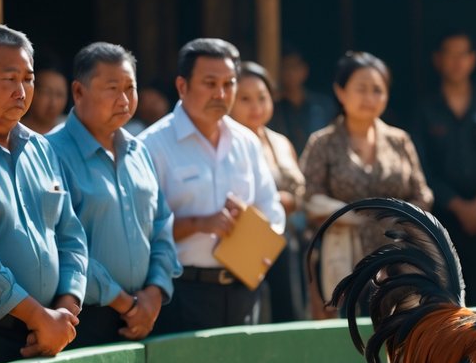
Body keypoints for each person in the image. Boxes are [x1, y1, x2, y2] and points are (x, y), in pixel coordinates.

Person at [140, 38, 285, 334]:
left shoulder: (247, 142)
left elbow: (274, 213)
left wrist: (249, 221)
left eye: (229, 83)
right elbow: (141, 230)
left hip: (244, 289)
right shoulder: (151, 145)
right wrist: (198, 224)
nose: (221, 93)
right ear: (182, 86)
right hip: (181, 292)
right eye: (209, 83)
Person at [0, 24, 87, 363]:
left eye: (28, 79)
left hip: (52, 334)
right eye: (10, 79)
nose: (22, 91)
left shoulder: (42, 149)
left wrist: (64, 313)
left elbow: (71, 235)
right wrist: (37, 315)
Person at [49, 43, 179, 347]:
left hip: (147, 314)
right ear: (78, 92)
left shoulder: (139, 150)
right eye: (112, 88)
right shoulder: (49, 152)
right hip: (83, 317)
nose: (124, 100)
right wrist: (127, 304)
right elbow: (60, 243)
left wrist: (156, 292)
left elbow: (162, 225)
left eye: (130, 88)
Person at [301, 50, 432, 313]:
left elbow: (422, 194)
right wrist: (351, 216)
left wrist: (396, 220)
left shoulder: (399, 140)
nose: (370, 98)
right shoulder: (323, 142)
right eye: (361, 89)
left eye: (377, 90)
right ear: (340, 92)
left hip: (397, 256)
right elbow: (309, 198)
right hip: (341, 259)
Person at [412, 31, 476, 306]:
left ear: (473, 59)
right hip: (441, 214)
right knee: (443, 291)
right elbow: (420, 168)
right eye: (450, 54)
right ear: (437, 60)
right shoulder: (424, 108)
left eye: (463, 54)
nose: (457, 61)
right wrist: (460, 207)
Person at [229, 60, 308, 323]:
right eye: (245, 99)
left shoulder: (280, 141)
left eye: (262, 98)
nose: (256, 107)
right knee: (253, 316)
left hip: (287, 238)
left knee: (291, 314)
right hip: (243, 241)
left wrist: (292, 201)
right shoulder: (227, 143)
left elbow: (302, 190)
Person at [270, 45, 337, 156]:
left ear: (304, 70)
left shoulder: (323, 105)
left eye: (294, 67)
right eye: (285, 68)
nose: (290, 73)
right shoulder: (273, 109)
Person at [20, 58, 67, 134]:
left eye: (59, 94)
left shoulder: (71, 132)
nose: (53, 103)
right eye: (46, 92)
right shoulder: (11, 132)